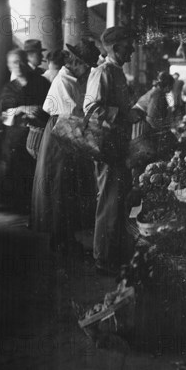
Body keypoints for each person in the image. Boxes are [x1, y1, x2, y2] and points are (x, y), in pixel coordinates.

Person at [83, 26, 145, 274]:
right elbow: (91, 109)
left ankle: (114, 254)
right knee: (109, 201)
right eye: (128, 46)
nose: (132, 50)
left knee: (119, 201)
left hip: (120, 146)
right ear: (116, 47)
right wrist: (124, 114)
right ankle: (103, 258)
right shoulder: (102, 72)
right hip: (108, 148)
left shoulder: (117, 72)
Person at [30, 39, 100, 255]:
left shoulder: (74, 79)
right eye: (87, 67)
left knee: (67, 187)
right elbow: (74, 113)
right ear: (78, 63)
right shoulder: (65, 81)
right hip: (61, 134)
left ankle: (64, 238)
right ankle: (61, 240)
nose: (88, 71)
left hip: (67, 130)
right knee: (61, 186)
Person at [0, 49, 50, 212]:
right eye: (14, 62)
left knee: (37, 172)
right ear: (9, 66)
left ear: (26, 62)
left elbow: (52, 106)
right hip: (16, 137)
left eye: (21, 61)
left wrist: (38, 110)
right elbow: (2, 114)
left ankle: (37, 209)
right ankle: (19, 207)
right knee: (15, 171)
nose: (18, 66)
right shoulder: (9, 89)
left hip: (38, 135)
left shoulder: (40, 83)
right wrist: (20, 109)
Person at [132, 71, 174, 139]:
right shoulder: (157, 94)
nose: (172, 88)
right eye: (171, 86)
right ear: (167, 86)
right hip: (139, 121)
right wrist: (160, 130)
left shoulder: (159, 92)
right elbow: (150, 118)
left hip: (143, 120)